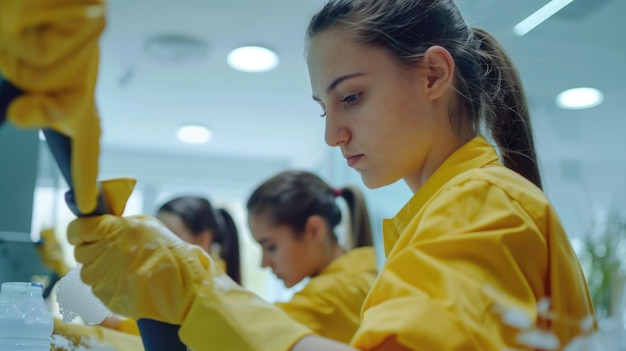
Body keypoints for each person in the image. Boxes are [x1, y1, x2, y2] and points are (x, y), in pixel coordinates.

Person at [58, 0, 596, 350]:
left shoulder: (482, 201)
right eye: (325, 109)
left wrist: (195, 290)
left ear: (433, 74)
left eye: (352, 98)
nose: (332, 134)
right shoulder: (457, 209)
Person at [246, 170, 378, 343]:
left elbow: (248, 336)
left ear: (314, 230)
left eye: (271, 247)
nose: (264, 263)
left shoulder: (329, 296)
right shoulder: (363, 270)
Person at [157, 196, 242, 284]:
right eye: (155, 235)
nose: (157, 244)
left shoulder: (217, 291)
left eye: (168, 237)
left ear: (203, 240)